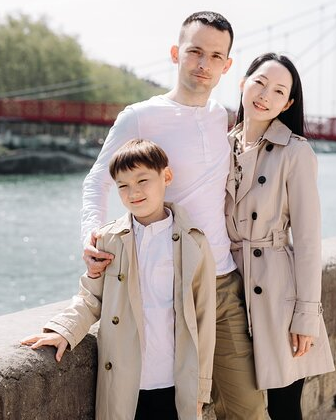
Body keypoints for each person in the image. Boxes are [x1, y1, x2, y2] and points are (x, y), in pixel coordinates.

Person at [82, 11, 265, 418]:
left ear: (227, 65)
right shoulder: (140, 115)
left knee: (248, 408)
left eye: (216, 56)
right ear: (175, 53)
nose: (204, 63)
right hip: (167, 289)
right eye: (195, 51)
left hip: (222, 281)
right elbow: (98, 180)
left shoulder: (224, 118)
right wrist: (91, 236)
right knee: (183, 409)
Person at [21, 139, 216, 420]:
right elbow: (91, 298)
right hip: (125, 381)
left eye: (142, 180)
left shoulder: (194, 242)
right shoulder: (108, 239)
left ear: (167, 177)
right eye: (123, 185)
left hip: (175, 382)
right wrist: (63, 330)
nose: (133, 192)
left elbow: (205, 319)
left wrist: (200, 391)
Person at [225, 53, 335, 419]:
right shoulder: (220, 147)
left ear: (287, 103)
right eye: (259, 82)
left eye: (278, 91)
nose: (264, 95)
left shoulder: (296, 152)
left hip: (277, 294)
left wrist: (306, 315)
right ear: (242, 83)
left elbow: (307, 241)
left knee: (285, 407)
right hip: (228, 288)